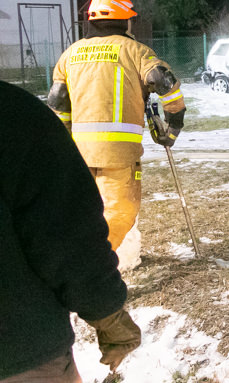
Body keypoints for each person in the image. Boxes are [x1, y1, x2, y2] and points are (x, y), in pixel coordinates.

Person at [0, 80, 141, 382]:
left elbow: (58, 97)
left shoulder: (68, 56)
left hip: (81, 144)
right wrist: (107, 312)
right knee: (119, 212)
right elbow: (65, 234)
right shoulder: (11, 113)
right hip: (18, 349)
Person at [47, 0, 186, 272]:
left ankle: (109, 259)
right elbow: (166, 84)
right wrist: (172, 127)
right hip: (118, 154)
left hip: (77, 154)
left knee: (85, 211)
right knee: (121, 211)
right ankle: (92, 266)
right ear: (125, 21)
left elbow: (58, 107)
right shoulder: (135, 51)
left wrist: (62, 147)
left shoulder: (69, 55)